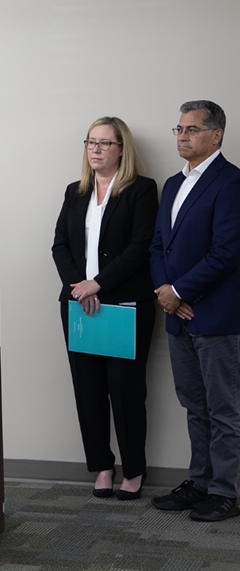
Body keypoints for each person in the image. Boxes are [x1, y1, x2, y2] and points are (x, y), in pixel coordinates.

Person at [52, 116, 158, 500]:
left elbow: (141, 246)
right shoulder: (75, 191)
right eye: (90, 142)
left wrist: (99, 284)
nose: (95, 149)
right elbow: (60, 246)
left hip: (124, 305)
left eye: (104, 143)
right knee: (88, 389)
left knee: (125, 390)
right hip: (80, 306)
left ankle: (133, 470)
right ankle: (101, 466)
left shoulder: (141, 190)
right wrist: (80, 289)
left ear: (121, 149)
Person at [150, 100, 240, 521]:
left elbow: (226, 253)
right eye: (179, 130)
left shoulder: (231, 183)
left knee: (225, 409)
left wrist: (180, 291)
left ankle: (226, 491)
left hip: (217, 317)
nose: (182, 136)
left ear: (216, 135)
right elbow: (157, 246)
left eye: (192, 129)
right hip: (177, 315)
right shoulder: (172, 183)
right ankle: (201, 482)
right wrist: (165, 292)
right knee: (195, 405)